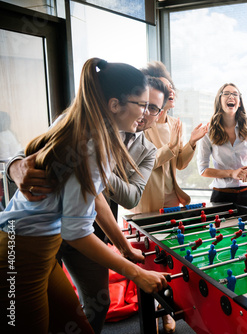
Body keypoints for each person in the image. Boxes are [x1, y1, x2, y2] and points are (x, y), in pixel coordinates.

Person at [0, 58, 168, 333]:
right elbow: (76, 233)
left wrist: (124, 248)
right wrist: (137, 274)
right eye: (141, 105)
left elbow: (96, 197)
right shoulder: (94, 146)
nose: (145, 114)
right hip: (19, 251)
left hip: (41, 246)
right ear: (115, 105)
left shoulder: (85, 125)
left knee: (77, 326)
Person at [133, 62, 208, 213]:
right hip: (149, 199)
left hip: (172, 197)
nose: (171, 91)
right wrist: (170, 146)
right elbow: (145, 164)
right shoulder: (142, 124)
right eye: (165, 88)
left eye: (171, 87)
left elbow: (180, 164)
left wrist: (192, 141)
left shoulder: (175, 124)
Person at [197, 83, 247, 209]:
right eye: (226, 93)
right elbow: (203, 170)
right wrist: (232, 173)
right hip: (222, 196)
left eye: (235, 94)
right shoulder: (208, 131)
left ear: (239, 102)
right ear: (219, 100)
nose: (231, 96)